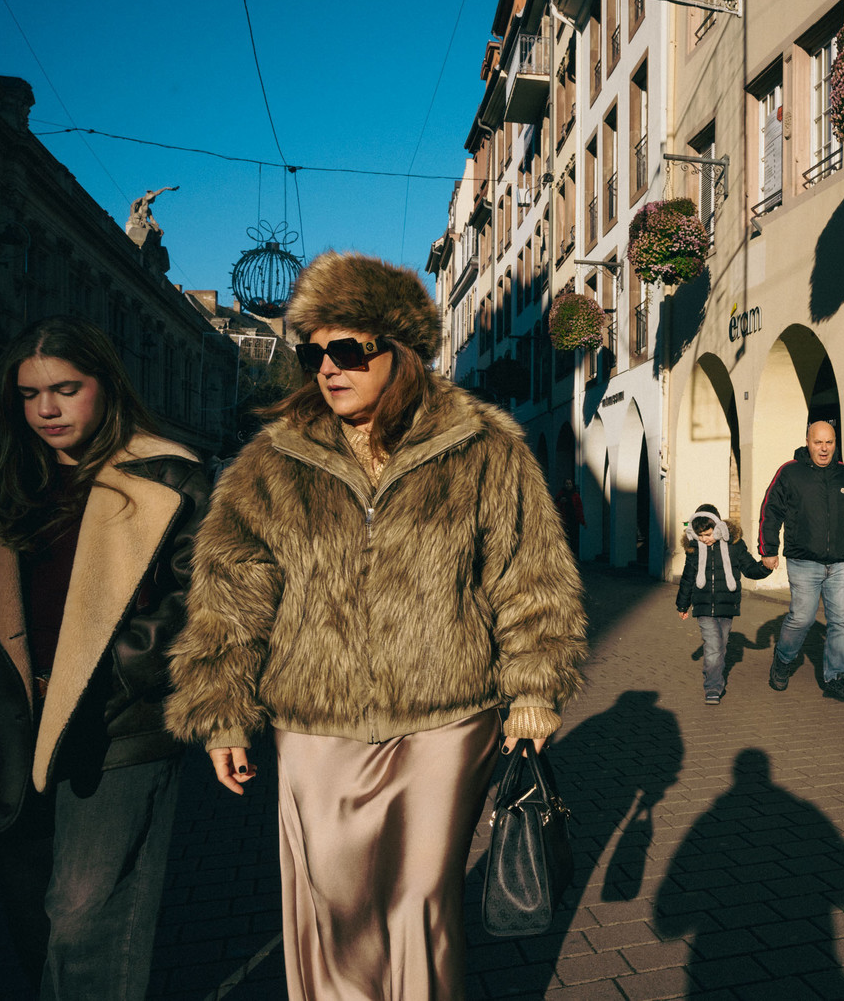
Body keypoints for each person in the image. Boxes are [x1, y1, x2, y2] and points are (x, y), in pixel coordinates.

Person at [164, 252, 587, 1001]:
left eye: (349, 349)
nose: (329, 367)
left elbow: (529, 571)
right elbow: (230, 587)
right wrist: (223, 711)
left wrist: (534, 688)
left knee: (422, 902)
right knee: (335, 909)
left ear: (402, 351)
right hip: (316, 721)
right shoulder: (274, 459)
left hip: (448, 718)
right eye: (314, 351)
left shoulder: (482, 446)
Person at [0, 315, 211, 1000]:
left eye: (65, 388)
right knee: (33, 920)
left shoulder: (168, 473)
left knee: (85, 918)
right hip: (15, 726)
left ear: (105, 384)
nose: (47, 409)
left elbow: (196, 598)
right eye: (29, 394)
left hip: (116, 726)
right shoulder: (12, 477)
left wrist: (112, 673)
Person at [757, 420, 844, 703]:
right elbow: (770, 510)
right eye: (818, 442)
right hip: (804, 562)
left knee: (840, 622)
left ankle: (835, 678)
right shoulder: (790, 473)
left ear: (835, 443)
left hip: (840, 564)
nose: (824, 449)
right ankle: (783, 660)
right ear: (808, 442)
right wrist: (768, 548)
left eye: (829, 442)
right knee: (802, 619)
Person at [676, 504, 772, 704]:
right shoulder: (694, 550)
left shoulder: (734, 546)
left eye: (708, 534)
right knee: (712, 647)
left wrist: (765, 568)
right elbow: (687, 578)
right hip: (703, 606)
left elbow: (749, 568)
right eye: (700, 535)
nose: (705, 539)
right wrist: (682, 605)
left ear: (718, 528)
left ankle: (714, 674)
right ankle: (712, 687)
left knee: (721, 646)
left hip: (727, 605)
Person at [555, 477, 584, 554]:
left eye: (569, 483)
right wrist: (560, 502)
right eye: (566, 484)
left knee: (574, 538)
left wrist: (582, 520)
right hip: (564, 520)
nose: (568, 485)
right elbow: (555, 506)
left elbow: (579, 508)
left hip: (573, 520)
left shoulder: (575, 495)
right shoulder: (560, 494)